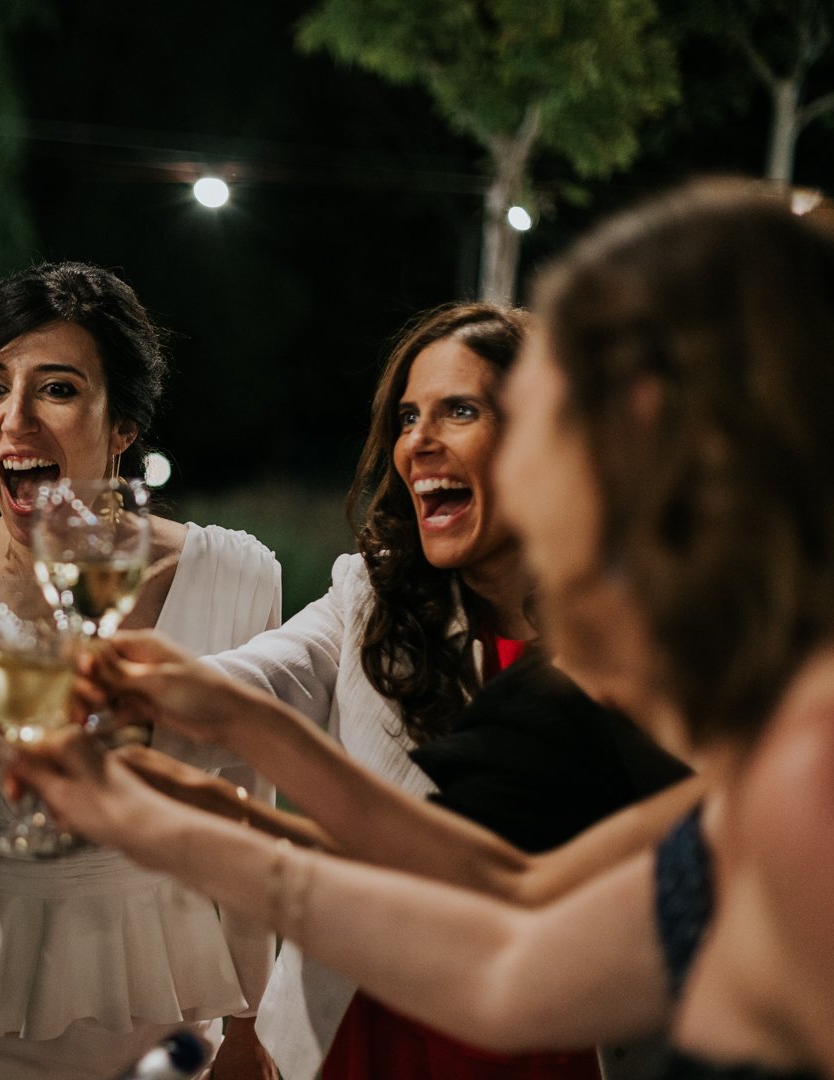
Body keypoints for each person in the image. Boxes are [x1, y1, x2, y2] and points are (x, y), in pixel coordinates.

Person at [18, 181, 834, 1078]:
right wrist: (197, 791)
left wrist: (189, 821)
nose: (420, 443)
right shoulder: (783, 751)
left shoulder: (827, 765)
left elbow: (510, 957)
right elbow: (515, 914)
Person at [157, 303, 682, 1080]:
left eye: (459, 411)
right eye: (406, 417)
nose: (419, 443)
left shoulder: (647, 638)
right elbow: (259, 679)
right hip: (373, 1034)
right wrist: (128, 690)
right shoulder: (368, 597)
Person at [0, 261, 282, 1079]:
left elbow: (249, 816)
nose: (15, 419)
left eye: (56, 389)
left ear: (121, 423)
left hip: (170, 1014)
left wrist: (252, 1027)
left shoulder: (234, 577)